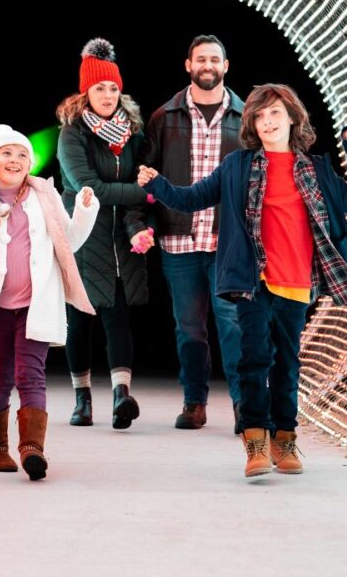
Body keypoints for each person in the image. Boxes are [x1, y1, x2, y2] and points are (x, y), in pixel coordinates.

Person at [139, 84, 347, 478]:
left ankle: (285, 440)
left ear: (293, 119)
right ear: (252, 124)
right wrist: (157, 185)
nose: (268, 121)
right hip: (252, 278)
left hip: (296, 280)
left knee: (286, 364)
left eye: (275, 114)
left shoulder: (315, 169)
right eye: (260, 116)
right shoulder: (239, 165)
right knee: (253, 360)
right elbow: (192, 199)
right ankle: (255, 443)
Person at [0, 124, 98, 480]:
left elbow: (68, 243)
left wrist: (84, 213)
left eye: (22, 155)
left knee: (30, 373)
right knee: (1, 374)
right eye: (6, 153)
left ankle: (32, 447)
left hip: (37, 304)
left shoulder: (44, 197)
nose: (15, 160)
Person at [138, 35, 246, 431]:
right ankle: (194, 403)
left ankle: (244, 406)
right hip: (179, 241)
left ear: (225, 65)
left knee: (233, 324)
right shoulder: (163, 117)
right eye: (200, 59)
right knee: (189, 328)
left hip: (229, 242)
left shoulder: (246, 116)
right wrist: (145, 224)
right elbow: (145, 178)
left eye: (214, 59)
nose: (207, 65)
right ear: (188, 65)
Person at [56, 38, 155, 429]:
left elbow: (134, 193)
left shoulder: (132, 133)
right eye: (100, 88)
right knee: (80, 321)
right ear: (86, 92)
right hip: (81, 240)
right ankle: (82, 399)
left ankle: (121, 396)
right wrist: (148, 191)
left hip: (119, 241)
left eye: (114, 88)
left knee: (118, 318)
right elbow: (89, 188)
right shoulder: (72, 134)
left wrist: (139, 225)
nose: (108, 95)